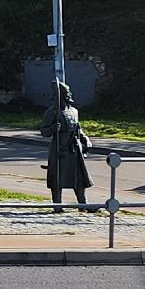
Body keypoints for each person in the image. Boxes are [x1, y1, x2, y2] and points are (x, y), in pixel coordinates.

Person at [39, 80, 93, 212]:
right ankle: (57, 206)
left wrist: (86, 139)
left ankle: (83, 204)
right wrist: (53, 128)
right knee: (57, 178)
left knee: (79, 178)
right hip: (59, 149)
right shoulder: (51, 112)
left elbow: (78, 129)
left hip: (74, 149)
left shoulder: (74, 111)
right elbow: (44, 132)